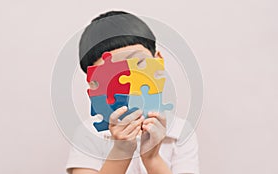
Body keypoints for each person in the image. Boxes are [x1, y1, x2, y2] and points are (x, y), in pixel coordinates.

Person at [66, 11, 200, 174]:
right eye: (111, 74)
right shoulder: (89, 134)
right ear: (93, 84)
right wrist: (121, 151)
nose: (129, 79)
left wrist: (152, 159)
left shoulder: (180, 133)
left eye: (139, 63)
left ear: (158, 61)